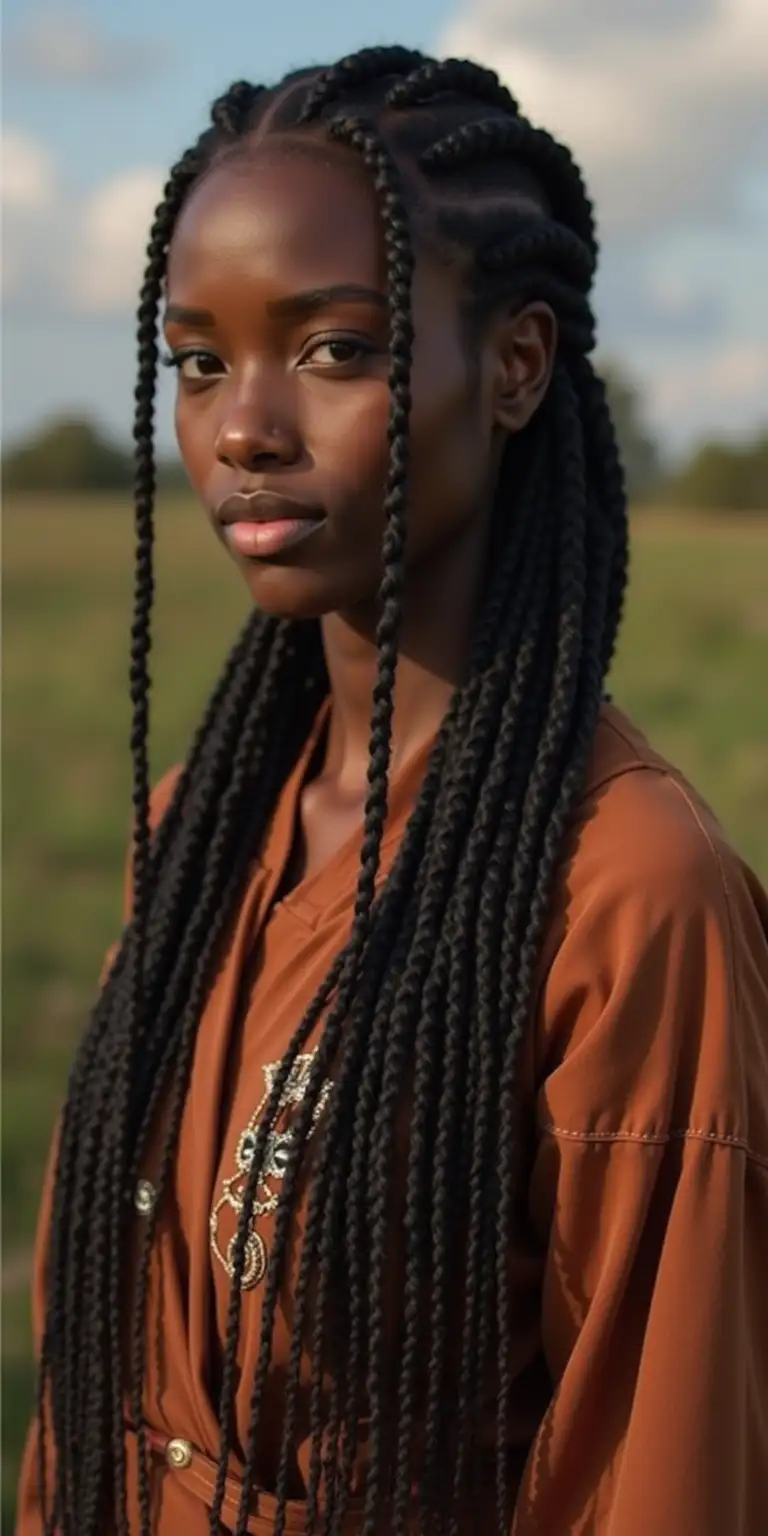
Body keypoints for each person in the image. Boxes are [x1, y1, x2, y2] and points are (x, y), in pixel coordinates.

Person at [16, 44, 768, 1536]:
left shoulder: (623, 898)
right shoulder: (196, 831)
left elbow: (661, 1480)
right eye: (199, 360)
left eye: (337, 349)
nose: (243, 429)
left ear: (516, 365)